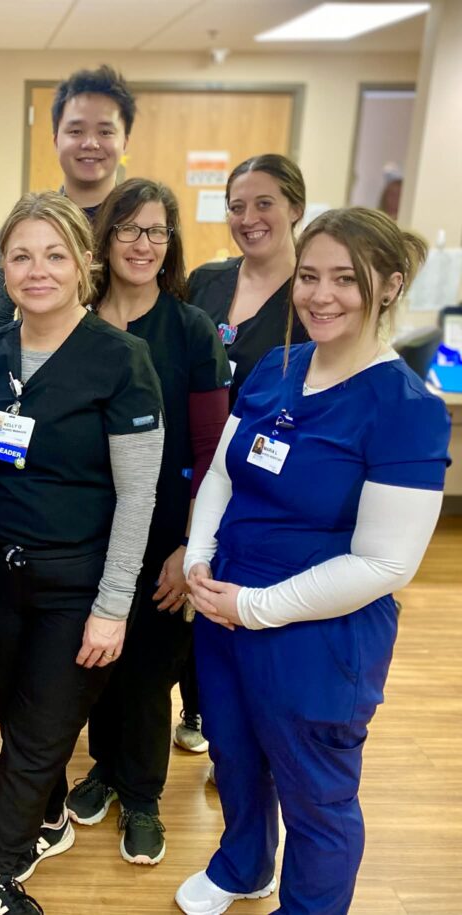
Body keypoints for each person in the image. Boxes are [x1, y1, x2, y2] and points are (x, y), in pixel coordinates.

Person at [176, 207, 450, 915]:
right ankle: (241, 865)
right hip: (222, 605)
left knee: (316, 794)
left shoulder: (405, 408)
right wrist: (202, 556)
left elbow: (386, 563)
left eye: (344, 279)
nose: (320, 295)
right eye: (309, 276)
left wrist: (256, 607)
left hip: (315, 635)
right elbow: (225, 474)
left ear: (387, 287)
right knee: (233, 754)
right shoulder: (278, 365)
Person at [0, 192, 164, 915]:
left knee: (42, 733)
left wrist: (113, 608)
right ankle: (47, 821)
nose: (36, 269)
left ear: (83, 263)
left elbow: (139, 496)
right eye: (20, 255)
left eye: (53, 254)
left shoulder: (121, 360)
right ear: (2, 269)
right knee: (20, 718)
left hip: (75, 584)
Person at [65, 179, 230, 865]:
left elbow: (211, 449)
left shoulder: (188, 328)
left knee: (147, 669)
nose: (142, 243)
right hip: (81, 534)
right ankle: (104, 766)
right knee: (95, 660)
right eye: (129, 228)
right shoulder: (73, 318)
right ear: (104, 240)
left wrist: (192, 546)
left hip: (163, 534)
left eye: (156, 231)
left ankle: (142, 794)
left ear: (171, 245)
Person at [175, 153, 310, 754]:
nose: (249, 218)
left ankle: (238, 729)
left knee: (241, 598)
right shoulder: (207, 281)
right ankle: (195, 708)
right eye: (237, 206)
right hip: (194, 464)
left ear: (295, 209)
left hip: (266, 478)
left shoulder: (311, 296)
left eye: (264, 203)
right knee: (189, 580)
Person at [0, 65, 135, 336]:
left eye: (105, 132)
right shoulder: (24, 227)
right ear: (55, 139)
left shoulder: (142, 225)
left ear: (125, 142)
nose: (90, 143)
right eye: (76, 131)